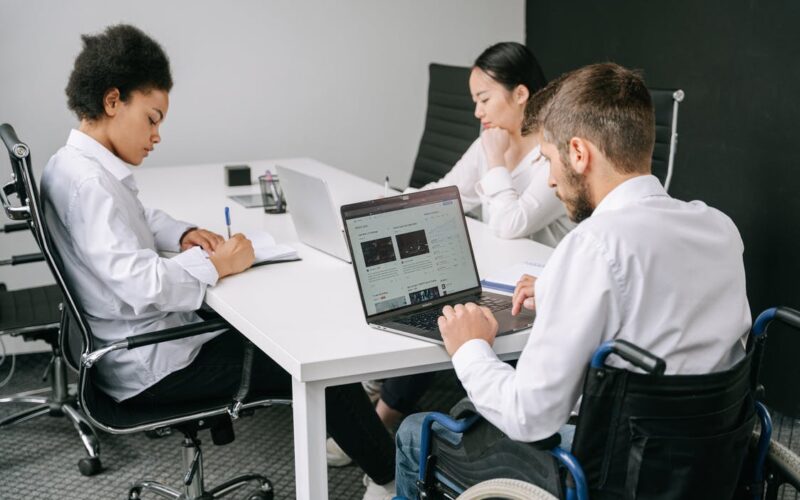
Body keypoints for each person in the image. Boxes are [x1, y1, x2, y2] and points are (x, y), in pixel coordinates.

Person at [40, 24, 395, 500]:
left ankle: (364, 444)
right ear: (112, 102)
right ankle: (392, 481)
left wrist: (183, 233)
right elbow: (141, 283)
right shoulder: (90, 186)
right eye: (151, 118)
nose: (157, 135)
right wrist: (218, 265)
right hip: (150, 364)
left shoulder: (74, 166)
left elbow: (138, 217)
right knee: (310, 359)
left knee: (278, 325)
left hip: (135, 344)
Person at [393, 62, 751, 498]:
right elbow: (665, 320)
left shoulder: (591, 245)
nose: (549, 179)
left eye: (548, 159)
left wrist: (469, 347)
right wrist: (563, 295)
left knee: (417, 431)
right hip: (705, 465)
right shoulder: (718, 227)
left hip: (609, 476)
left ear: (578, 154)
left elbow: (531, 416)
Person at [325, 46, 577, 466]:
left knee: (447, 306)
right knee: (429, 293)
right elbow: (447, 193)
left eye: (484, 99)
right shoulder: (488, 144)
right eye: (474, 102)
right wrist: (386, 208)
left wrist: (495, 159)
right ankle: (374, 391)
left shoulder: (550, 154)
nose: (478, 113)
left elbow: (510, 223)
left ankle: (382, 414)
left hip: (540, 284)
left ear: (520, 94)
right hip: (501, 271)